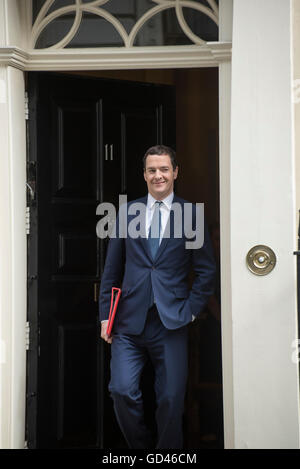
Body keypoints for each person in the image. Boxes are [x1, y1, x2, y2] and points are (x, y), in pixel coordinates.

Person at [99, 145, 216, 449]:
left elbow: (206, 271)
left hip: (172, 321)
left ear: (175, 172)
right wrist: (105, 316)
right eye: (152, 170)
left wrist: (190, 310)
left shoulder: (191, 214)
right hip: (128, 322)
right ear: (144, 175)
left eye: (164, 169)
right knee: (121, 390)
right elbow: (111, 270)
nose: (158, 175)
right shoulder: (127, 212)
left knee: (172, 398)